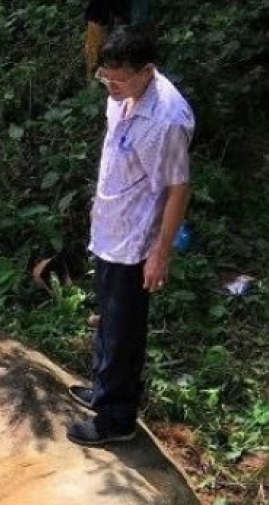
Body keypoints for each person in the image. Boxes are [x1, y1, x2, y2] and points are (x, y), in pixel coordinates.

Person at [68, 26, 192, 447]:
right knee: (106, 315)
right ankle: (104, 390)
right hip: (111, 225)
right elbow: (115, 149)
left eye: (119, 80)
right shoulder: (121, 92)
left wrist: (161, 252)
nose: (111, 87)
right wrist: (99, 202)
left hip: (137, 238)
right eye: (106, 78)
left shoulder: (167, 121)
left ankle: (116, 418)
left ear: (147, 72)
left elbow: (178, 187)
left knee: (124, 329)